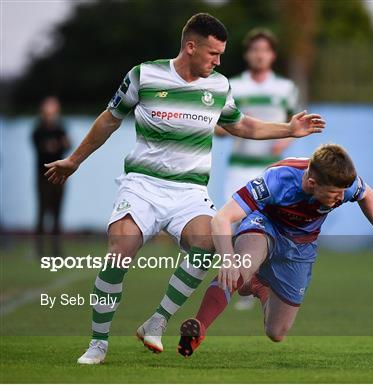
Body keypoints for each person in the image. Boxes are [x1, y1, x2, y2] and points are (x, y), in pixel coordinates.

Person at [44, 13, 325, 365]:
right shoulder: (144, 75)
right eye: (212, 54)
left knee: (206, 244)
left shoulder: (219, 86)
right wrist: (75, 160)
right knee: (121, 248)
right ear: (190, 47)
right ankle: (98, 343)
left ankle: (157, 321)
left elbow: (242, 125)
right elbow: (109, 120)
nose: (218, 61)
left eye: (221, 55)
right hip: (143, 185)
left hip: (189, 191)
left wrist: (289, 129)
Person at [176, 144, 373, 357]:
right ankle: (199, 327)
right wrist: (228, 260)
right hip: (264, 225)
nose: (342, 197)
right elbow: (222, 218)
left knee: (276, 332)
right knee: (241, 267)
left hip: (301, 245)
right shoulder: (277, 180)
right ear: (312, 183)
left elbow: (367, 195)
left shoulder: (343, 183)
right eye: (335, 194)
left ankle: (260, 286)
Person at [215, 28, 299, 311]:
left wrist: (284, 140)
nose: (259, 55)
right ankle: (243, 284)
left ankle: (261, 281)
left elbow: (294, 123)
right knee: (236, 224)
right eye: (254, 50)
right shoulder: (233, 85)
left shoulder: (285, 88)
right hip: (240, 167)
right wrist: (221, 130)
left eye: (264, 50)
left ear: (272, 55)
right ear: (247, 54)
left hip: (271, 170)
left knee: (269, 226)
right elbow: (219, 123)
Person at [32, 96, 70, 257]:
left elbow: (66, 145)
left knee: (57, 213)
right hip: (43, 177)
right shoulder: (38, 130)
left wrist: (58, 145)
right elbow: (43, 148)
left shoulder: (61, 128)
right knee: (42, 212)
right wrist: (56, 145)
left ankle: (56, 250)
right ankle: (39, 250)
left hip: (59, 177)